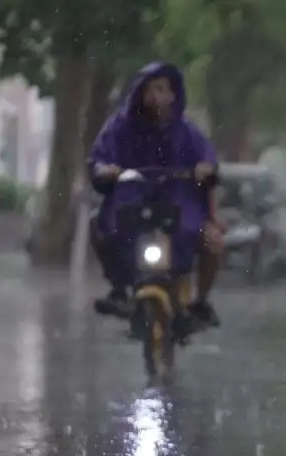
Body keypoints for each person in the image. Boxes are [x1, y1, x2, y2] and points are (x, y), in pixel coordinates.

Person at [88, 61, 225, 327]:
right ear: (139, 93)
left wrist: (204, 169)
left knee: (212, 240)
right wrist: (106, 170)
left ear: (173, 94)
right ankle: (120, 288)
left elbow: (208, 161)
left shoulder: (187, 131)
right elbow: (98, 160)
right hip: (132, 201)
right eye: (149, 90)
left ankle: (200, 301)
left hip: (180, 203)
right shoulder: (119, 127)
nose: (155, 97)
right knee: (99, 224)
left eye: (162, 90)